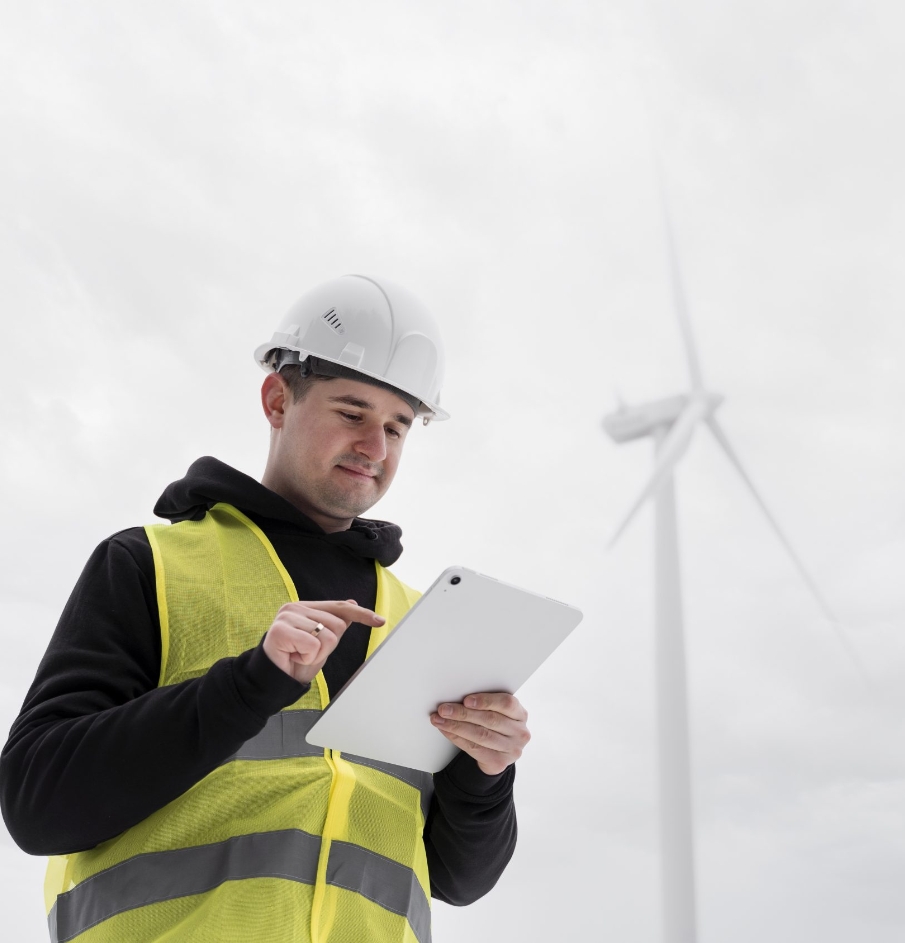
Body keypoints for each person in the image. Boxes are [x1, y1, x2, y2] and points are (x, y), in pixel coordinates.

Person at [0, 274, 530, 943]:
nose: (377, 447)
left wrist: (487, 771)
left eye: (398, 426)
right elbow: (38, 805)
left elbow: (457, 877)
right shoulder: (149, 566)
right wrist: (248, 685)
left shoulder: (420, 622)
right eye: (351, 413)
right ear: (278, 400)